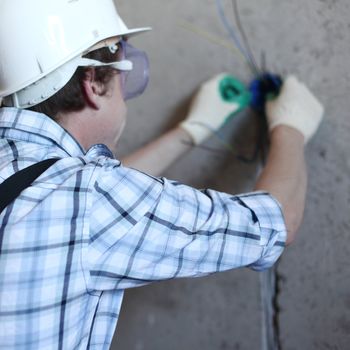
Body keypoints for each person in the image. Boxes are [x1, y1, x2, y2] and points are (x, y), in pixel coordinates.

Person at [0, 0, 324, 349]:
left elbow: (93, 201)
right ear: (92, 82)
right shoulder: (90, 202)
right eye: (125, 75)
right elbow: (273, 224)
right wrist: (291, 128)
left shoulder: (45, 181)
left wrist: (189, 131)